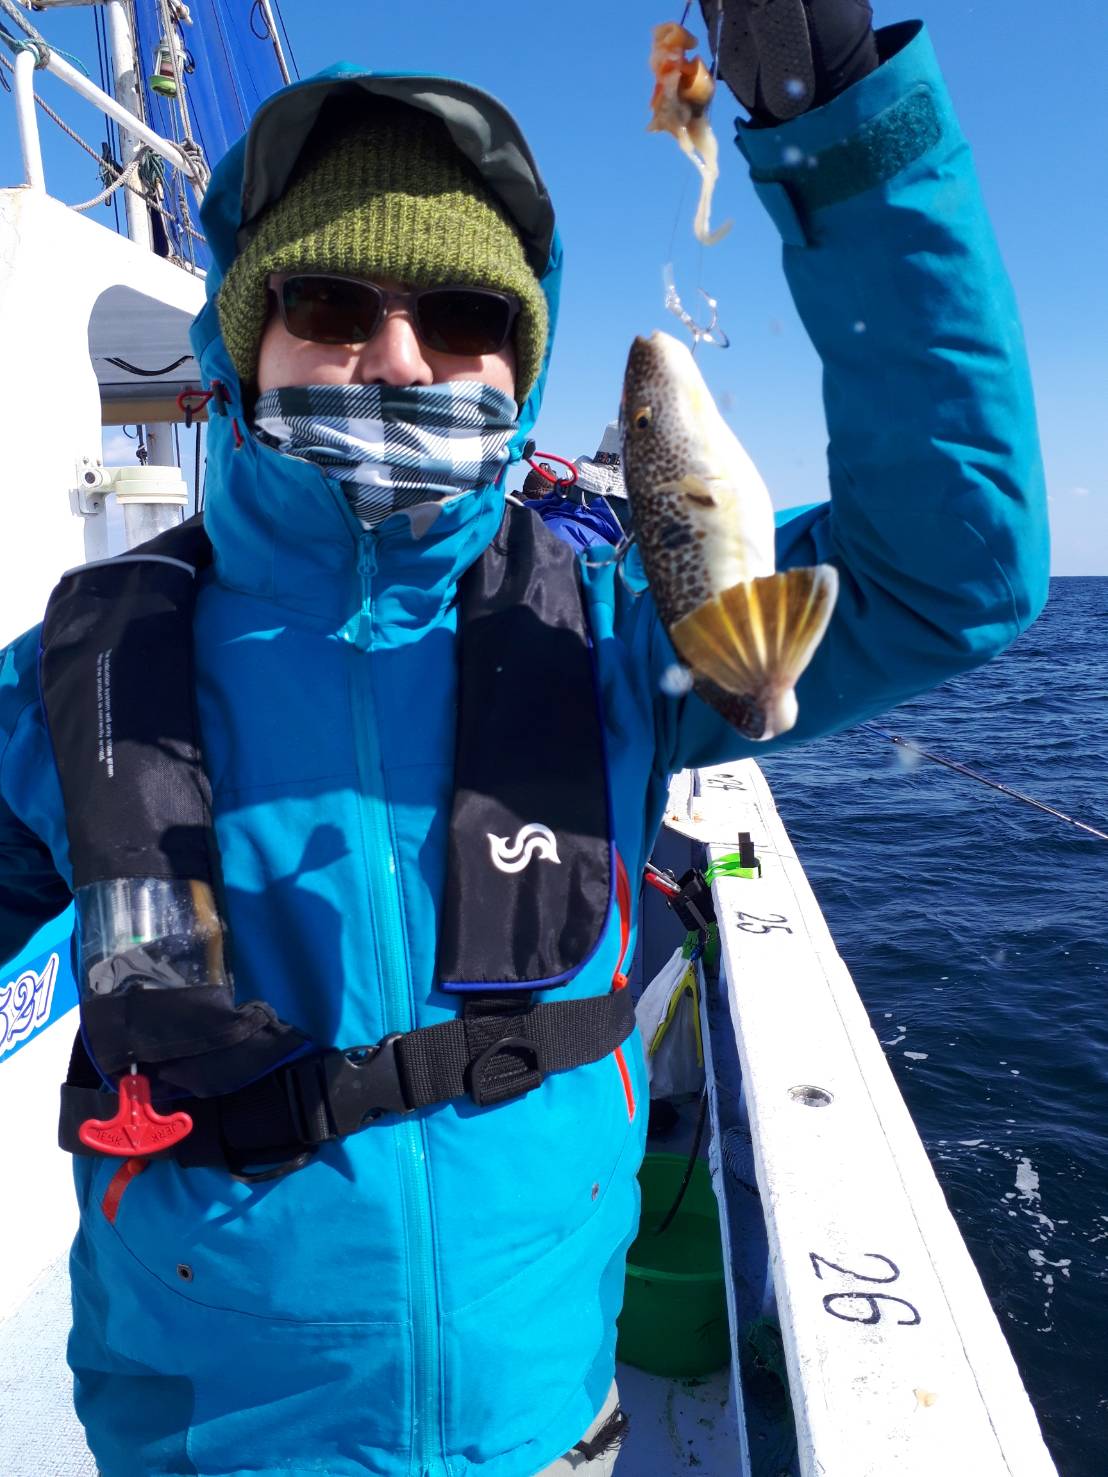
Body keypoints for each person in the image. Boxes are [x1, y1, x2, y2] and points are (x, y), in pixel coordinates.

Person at [0, 3, 1048, 1475]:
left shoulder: (617, 637)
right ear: (245, 338)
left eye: (465, 320)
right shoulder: (75, 676)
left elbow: (952, 572)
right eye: (333, 304)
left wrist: (847, 137)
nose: (400, 359)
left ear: (520, 367)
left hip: (546, 1433)